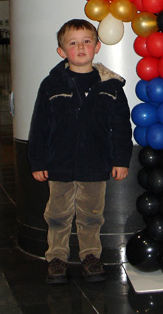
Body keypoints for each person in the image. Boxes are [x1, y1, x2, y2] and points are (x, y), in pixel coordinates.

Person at [28, 18, 133, 285]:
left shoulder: (110, 86)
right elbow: (39, 126)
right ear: (62, 51)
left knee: (91, 215)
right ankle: (56, 258)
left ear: (97, 47)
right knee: (57, 215)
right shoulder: (51, 85)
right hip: (59, 164)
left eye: (87, 41)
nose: (81, 47)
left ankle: (90, 256)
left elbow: (121, 127)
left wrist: (121, 160)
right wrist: (37, 161)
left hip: (96, 163)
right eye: (73, 43)